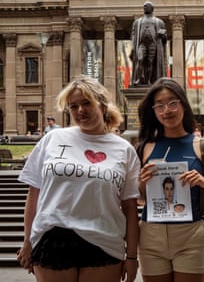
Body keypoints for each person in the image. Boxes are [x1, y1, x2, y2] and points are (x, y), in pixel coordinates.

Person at [16, 75, 140, 282]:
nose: (80, 111)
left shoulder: (124, 150)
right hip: (52, 238)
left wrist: (133, 256)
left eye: (86, 103)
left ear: (102, 105)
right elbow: (34, 194)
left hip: (105, 242)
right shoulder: (53, 139)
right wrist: (28, 242)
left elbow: (130, 207)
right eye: (73, 107)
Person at [136, 77, 204, 282]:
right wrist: (142, 181)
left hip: (190, 233)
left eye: (172, 103)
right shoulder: (145, 147)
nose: (166, 110)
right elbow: (140, 198)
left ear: (183, 105)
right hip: (151, 233)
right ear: (154, 111)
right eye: (159, 106)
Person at [131, 1, 167, 86]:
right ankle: (138, 79)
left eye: (147, 6)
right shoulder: (138, 22)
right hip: (142, 44)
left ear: (152, 8)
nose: (145, 8)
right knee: (140, 60)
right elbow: (133, 35)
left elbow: (164, 39)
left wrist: (162, 36)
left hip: (153, 44)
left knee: (150, 63)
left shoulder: (159, 21)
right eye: (144, 6)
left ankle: (149, 81)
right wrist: (133, 47)